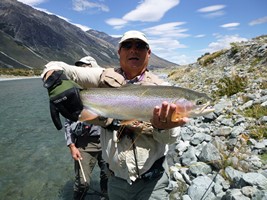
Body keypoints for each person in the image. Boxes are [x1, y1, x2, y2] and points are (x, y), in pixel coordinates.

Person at [42, 30, 188, 200]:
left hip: (152, 183)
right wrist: (54, 81)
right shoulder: (101, 77)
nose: (134, 50)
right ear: (119, 51)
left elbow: (170, 140)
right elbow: (56, 66)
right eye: (128, 45)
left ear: (149, 53)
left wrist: (164, 128)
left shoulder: (164, 89)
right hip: (116, 181)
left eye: (140, 46)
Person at [64, 56, 108, 200]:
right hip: (83, 144)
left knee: (108, 177)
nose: (83, 72)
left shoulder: (106, 93)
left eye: (86, 68)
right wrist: (72, 146)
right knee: (83, 183)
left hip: (106, 142)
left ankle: (105, 196)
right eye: (80, 69)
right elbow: (67, 123)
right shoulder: (73, 95)